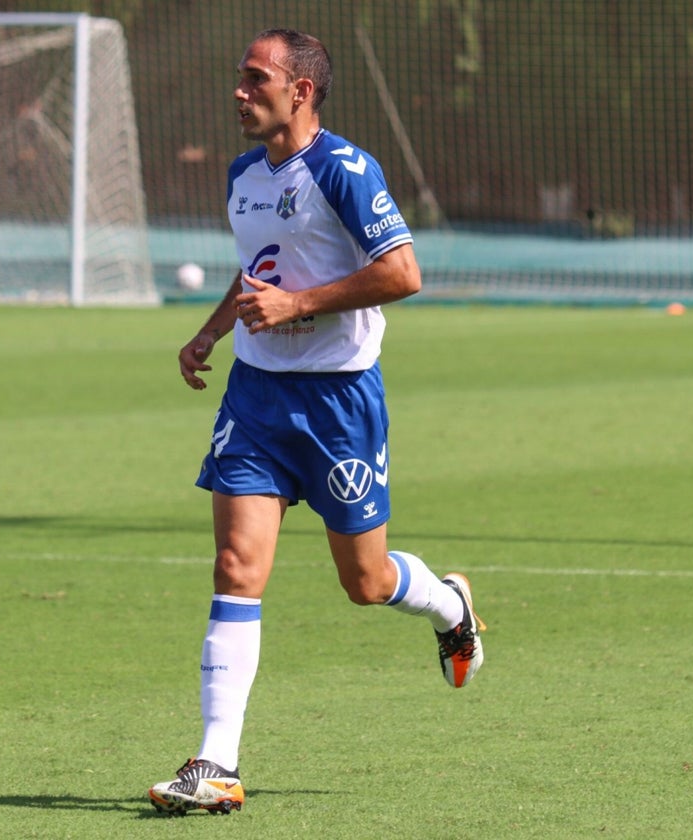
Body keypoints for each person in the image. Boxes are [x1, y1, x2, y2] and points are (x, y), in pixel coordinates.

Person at [147, 29, 485, 816]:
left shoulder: (344, 168)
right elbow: (257, 269)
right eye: (238, 77)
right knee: (237, 565)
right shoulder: (241, 175)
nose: (238, 90)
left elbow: (404, 272)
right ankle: (215, 765)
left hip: (339, 404)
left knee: (364, 584)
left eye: (254, 78)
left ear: (299, 90)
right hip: (257, 400)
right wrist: (211, 330)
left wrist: (298, 304)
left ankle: (448, 605)